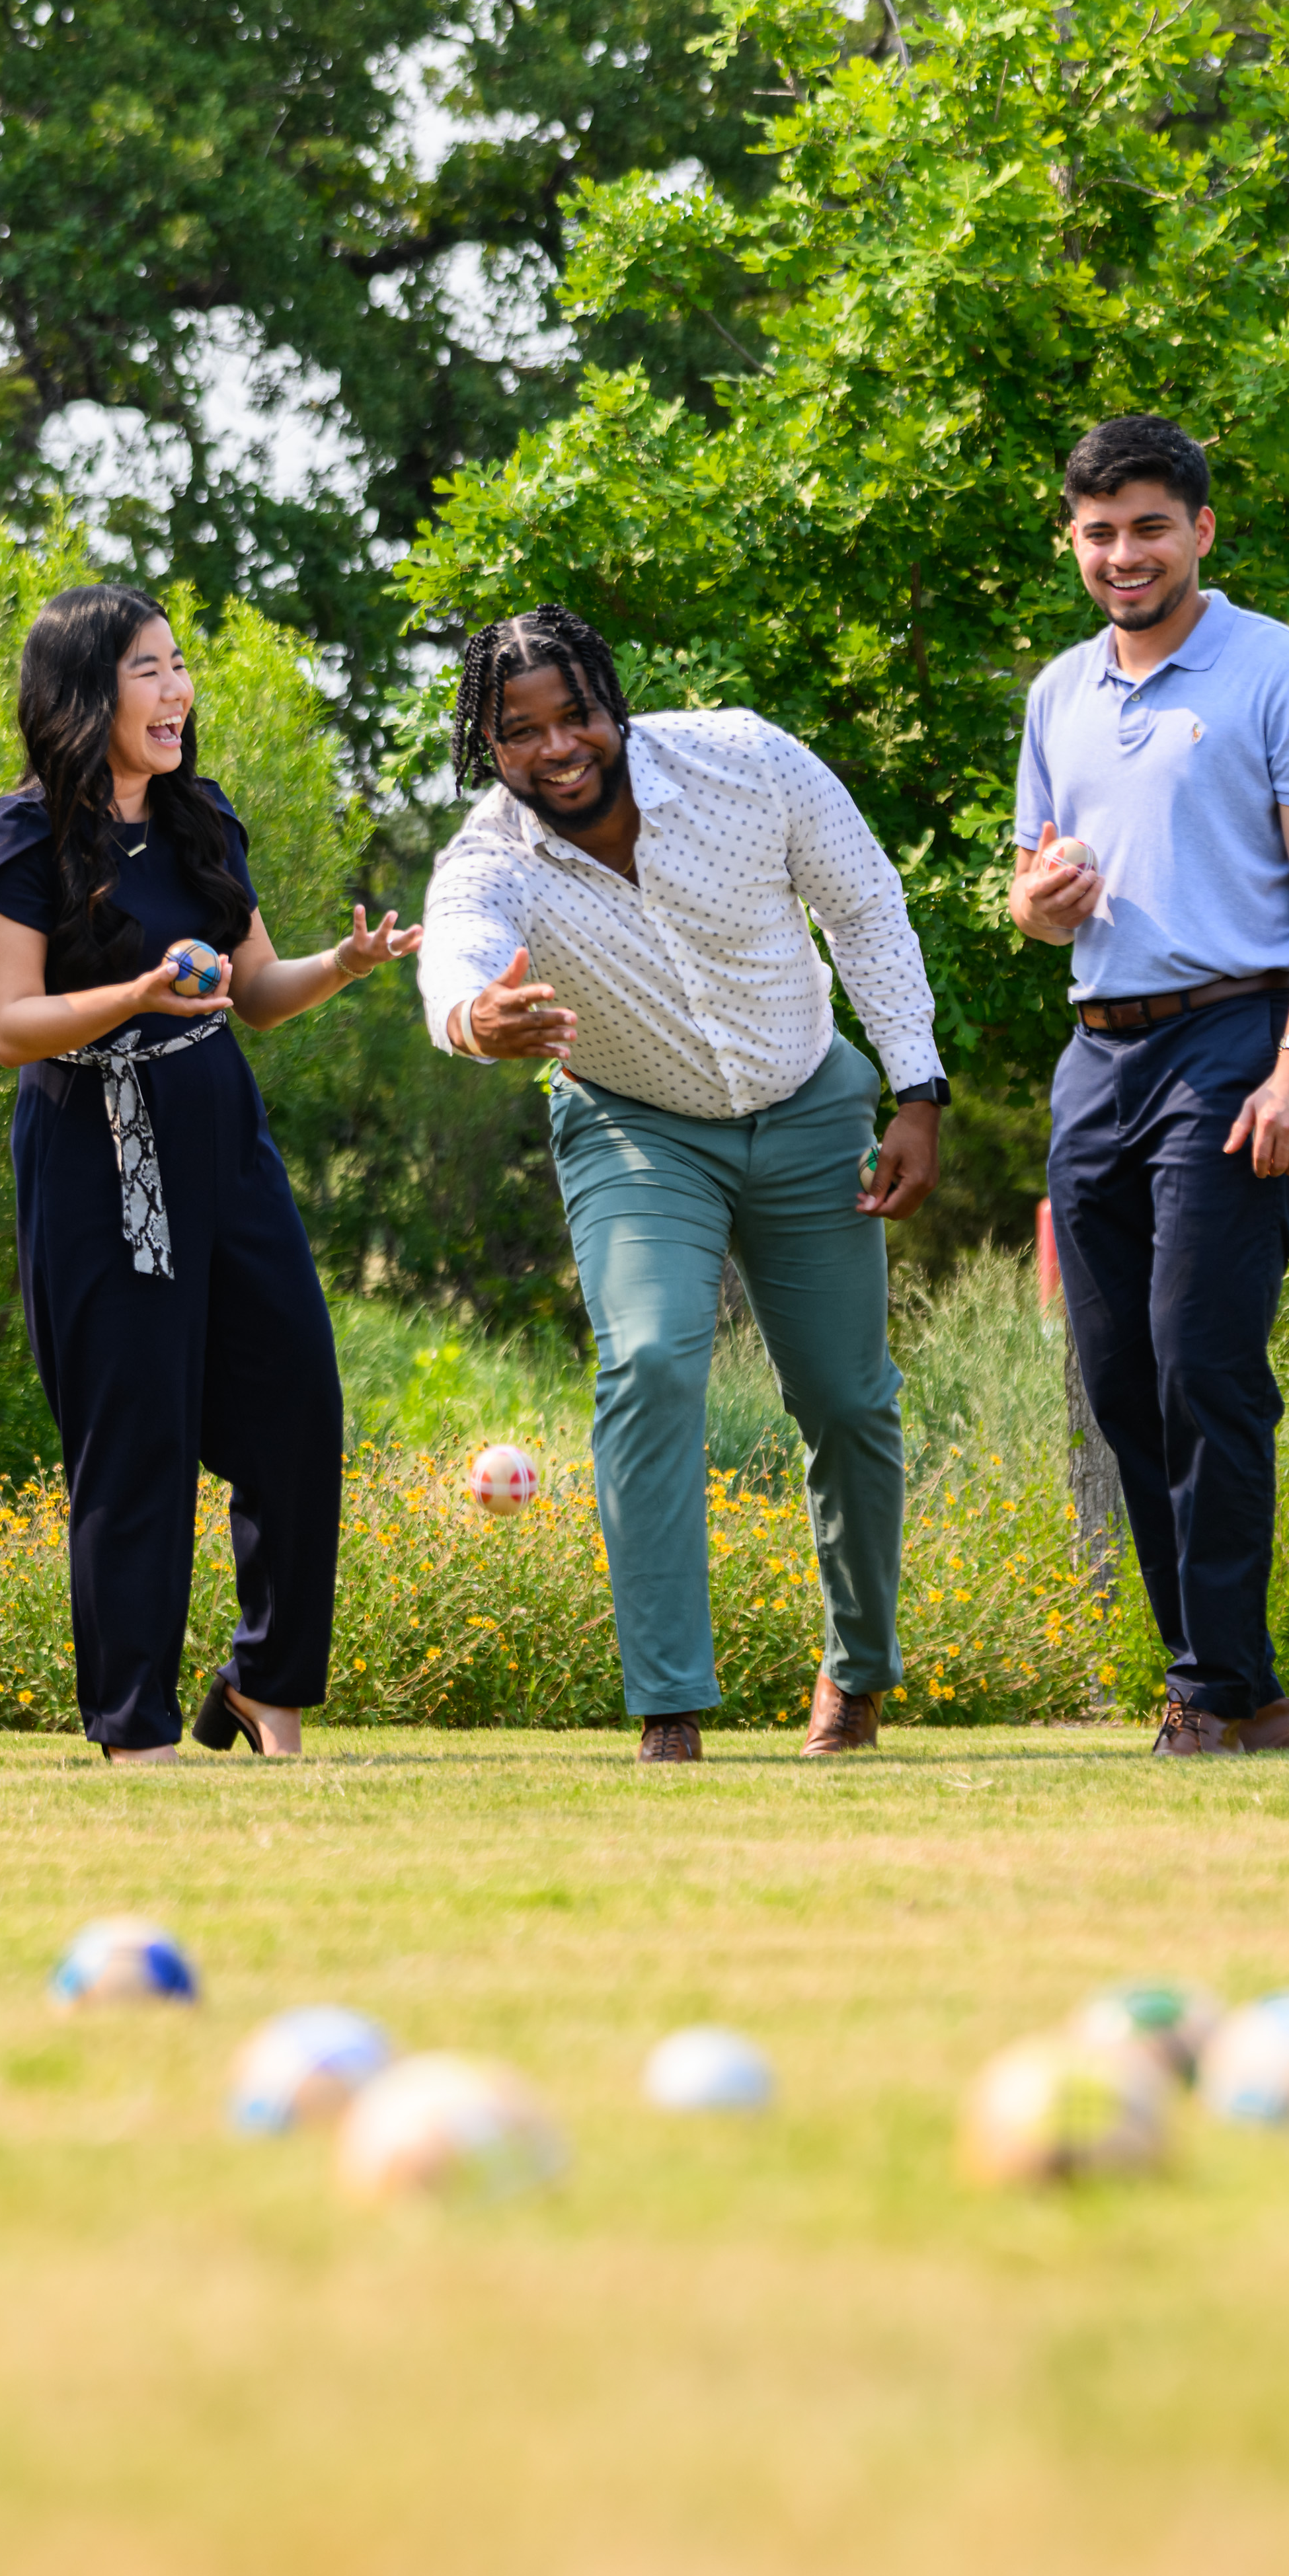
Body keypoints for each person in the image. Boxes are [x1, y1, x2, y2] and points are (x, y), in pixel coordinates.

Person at [416, 609, 950, 1764]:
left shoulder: (746, 760)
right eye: (522, 733)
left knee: (848, 1402)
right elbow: (451, 961)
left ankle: (855, 1677)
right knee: (652, 1359)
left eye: (577, 716)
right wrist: (476, 1019)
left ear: (613, 704)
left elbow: (864, 907)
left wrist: (918, 1090)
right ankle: (670, 1708)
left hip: (809, 1103)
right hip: (635, 1128)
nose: (558, 748)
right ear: (487, 745)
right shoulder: (489, 859)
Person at [0, 587, 420, 1763]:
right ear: (84, 694)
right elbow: (12, 1025)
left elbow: (254, 995)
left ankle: (267, 1685)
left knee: (299, 1416)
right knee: (137, 1442)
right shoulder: (17, 839)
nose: (178, 691)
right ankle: (136, 1732)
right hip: (96, 1146)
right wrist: (137, 991)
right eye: (149, 671)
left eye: (179, 667)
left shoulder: (201, 817)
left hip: (221, 1130)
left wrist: (344, 965)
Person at [1009, 415, 1289, 1757]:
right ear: (1074, 540)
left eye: (1150, 526)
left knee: (1204, 1366)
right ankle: (1240, 1684)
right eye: (1098, 533)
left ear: (1202, 530)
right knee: (1121, 1382)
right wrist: (1040, 904)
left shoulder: (1283, 671)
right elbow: (1032, 899)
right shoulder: (1058, 695)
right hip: (1097, 1051)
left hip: (1237, 1039)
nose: (1123, 555)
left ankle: (1208, 1691)